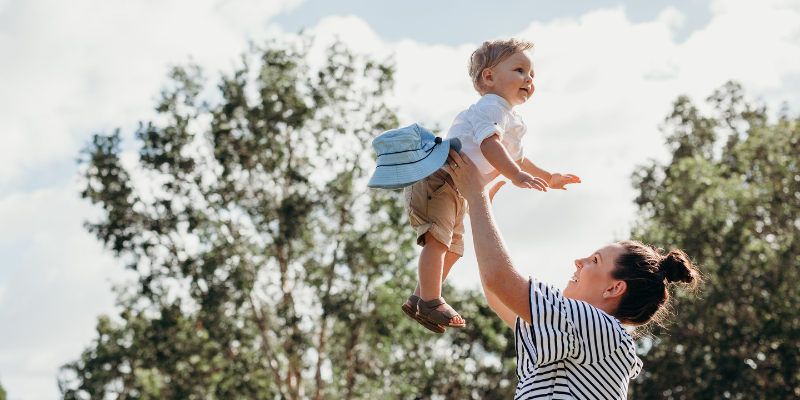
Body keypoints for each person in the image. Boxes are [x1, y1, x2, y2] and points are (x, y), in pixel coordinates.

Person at [444, 149, 702, 399]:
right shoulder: (580, 334)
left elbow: (499, 280)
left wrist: (477, 197)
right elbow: (497, 293)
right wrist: (478, 209)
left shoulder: (602, 329)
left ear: (614, 289)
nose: (578, 261)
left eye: (594, 260)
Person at [400, 38, 581, 333]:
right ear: (489, 77)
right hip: (439, 178)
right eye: (520, 70)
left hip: (457, 189)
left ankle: (420, 297)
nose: (529, 79)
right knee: (439, 241)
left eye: (532, 74)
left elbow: (520, 160)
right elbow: (489, 146)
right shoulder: (491, 107)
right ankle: (431, 300)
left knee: (455, 249)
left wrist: (550, 177)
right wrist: (514, 176)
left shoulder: (510, 119)